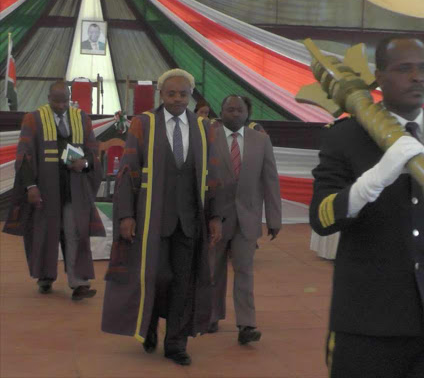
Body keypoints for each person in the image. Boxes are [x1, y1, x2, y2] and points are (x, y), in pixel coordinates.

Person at [310, 38, 424, 378]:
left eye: (423, 68)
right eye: (404, 69)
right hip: (369, 322)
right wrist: (372, 181)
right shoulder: (346, 138)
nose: (417, 77)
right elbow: (321, 217)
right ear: (379, 76)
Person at [101, 69, 223, 366]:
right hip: (151, 218)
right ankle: (150, 325)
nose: (178, 98)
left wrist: (216, 216)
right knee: (156, 276)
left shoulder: (204, 127)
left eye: (183, 94)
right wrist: (126, 215)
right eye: (172, 93)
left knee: (185, 281)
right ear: (161, 95)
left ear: (190, 96)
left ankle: (176, 343)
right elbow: (128, 170)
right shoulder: (144, 124)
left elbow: (215, 175)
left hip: (190, 220)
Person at [3, 81, 105, 300]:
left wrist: (85, 164)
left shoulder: (82, 118)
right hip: (45, 188)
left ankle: (79, 283)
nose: (60, 105)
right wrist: (30, 186)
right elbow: (25, 155)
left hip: (74, 188)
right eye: (56, 101)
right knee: (44, 234)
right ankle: (45, 277)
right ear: (48, 98)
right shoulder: (33, 118)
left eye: (64, 100)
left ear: (69, 98)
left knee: (75, 232)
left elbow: (92, 151)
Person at [208, 95, 281, 344]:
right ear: (221, 111)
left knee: (244, 271)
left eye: (240, 110)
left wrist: (274, 218)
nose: (235, 114)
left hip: (247, 219)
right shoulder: (208, 136)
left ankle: (246, 324)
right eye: (230, 109)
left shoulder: (261, 141)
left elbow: (271, 180)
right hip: (214, 219)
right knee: (213, 271)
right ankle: (211, 316)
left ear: (247, 113)